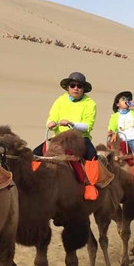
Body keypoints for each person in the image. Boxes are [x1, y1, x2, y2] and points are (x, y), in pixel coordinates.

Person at [36, 72, 99, 200]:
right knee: (35, 154)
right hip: (59, 138)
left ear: (83, 88)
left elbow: (88, 125)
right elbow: (52, 116)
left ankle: (90, 185)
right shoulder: (60, 100)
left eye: (79, 86)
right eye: (73, 85)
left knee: (92, 154)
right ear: (68, 87)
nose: (76, 88)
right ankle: (33, 182)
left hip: (79, 138)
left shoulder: (90, 103)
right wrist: (50, 123)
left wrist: (72, 124)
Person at [106, 91, 134, 183]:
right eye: (123, 99)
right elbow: (111, 128)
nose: (126, 101)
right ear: (117, 104)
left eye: (128, 99)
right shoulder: (114, 116)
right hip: (121, 139)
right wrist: (110, 132)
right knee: (111, 155)